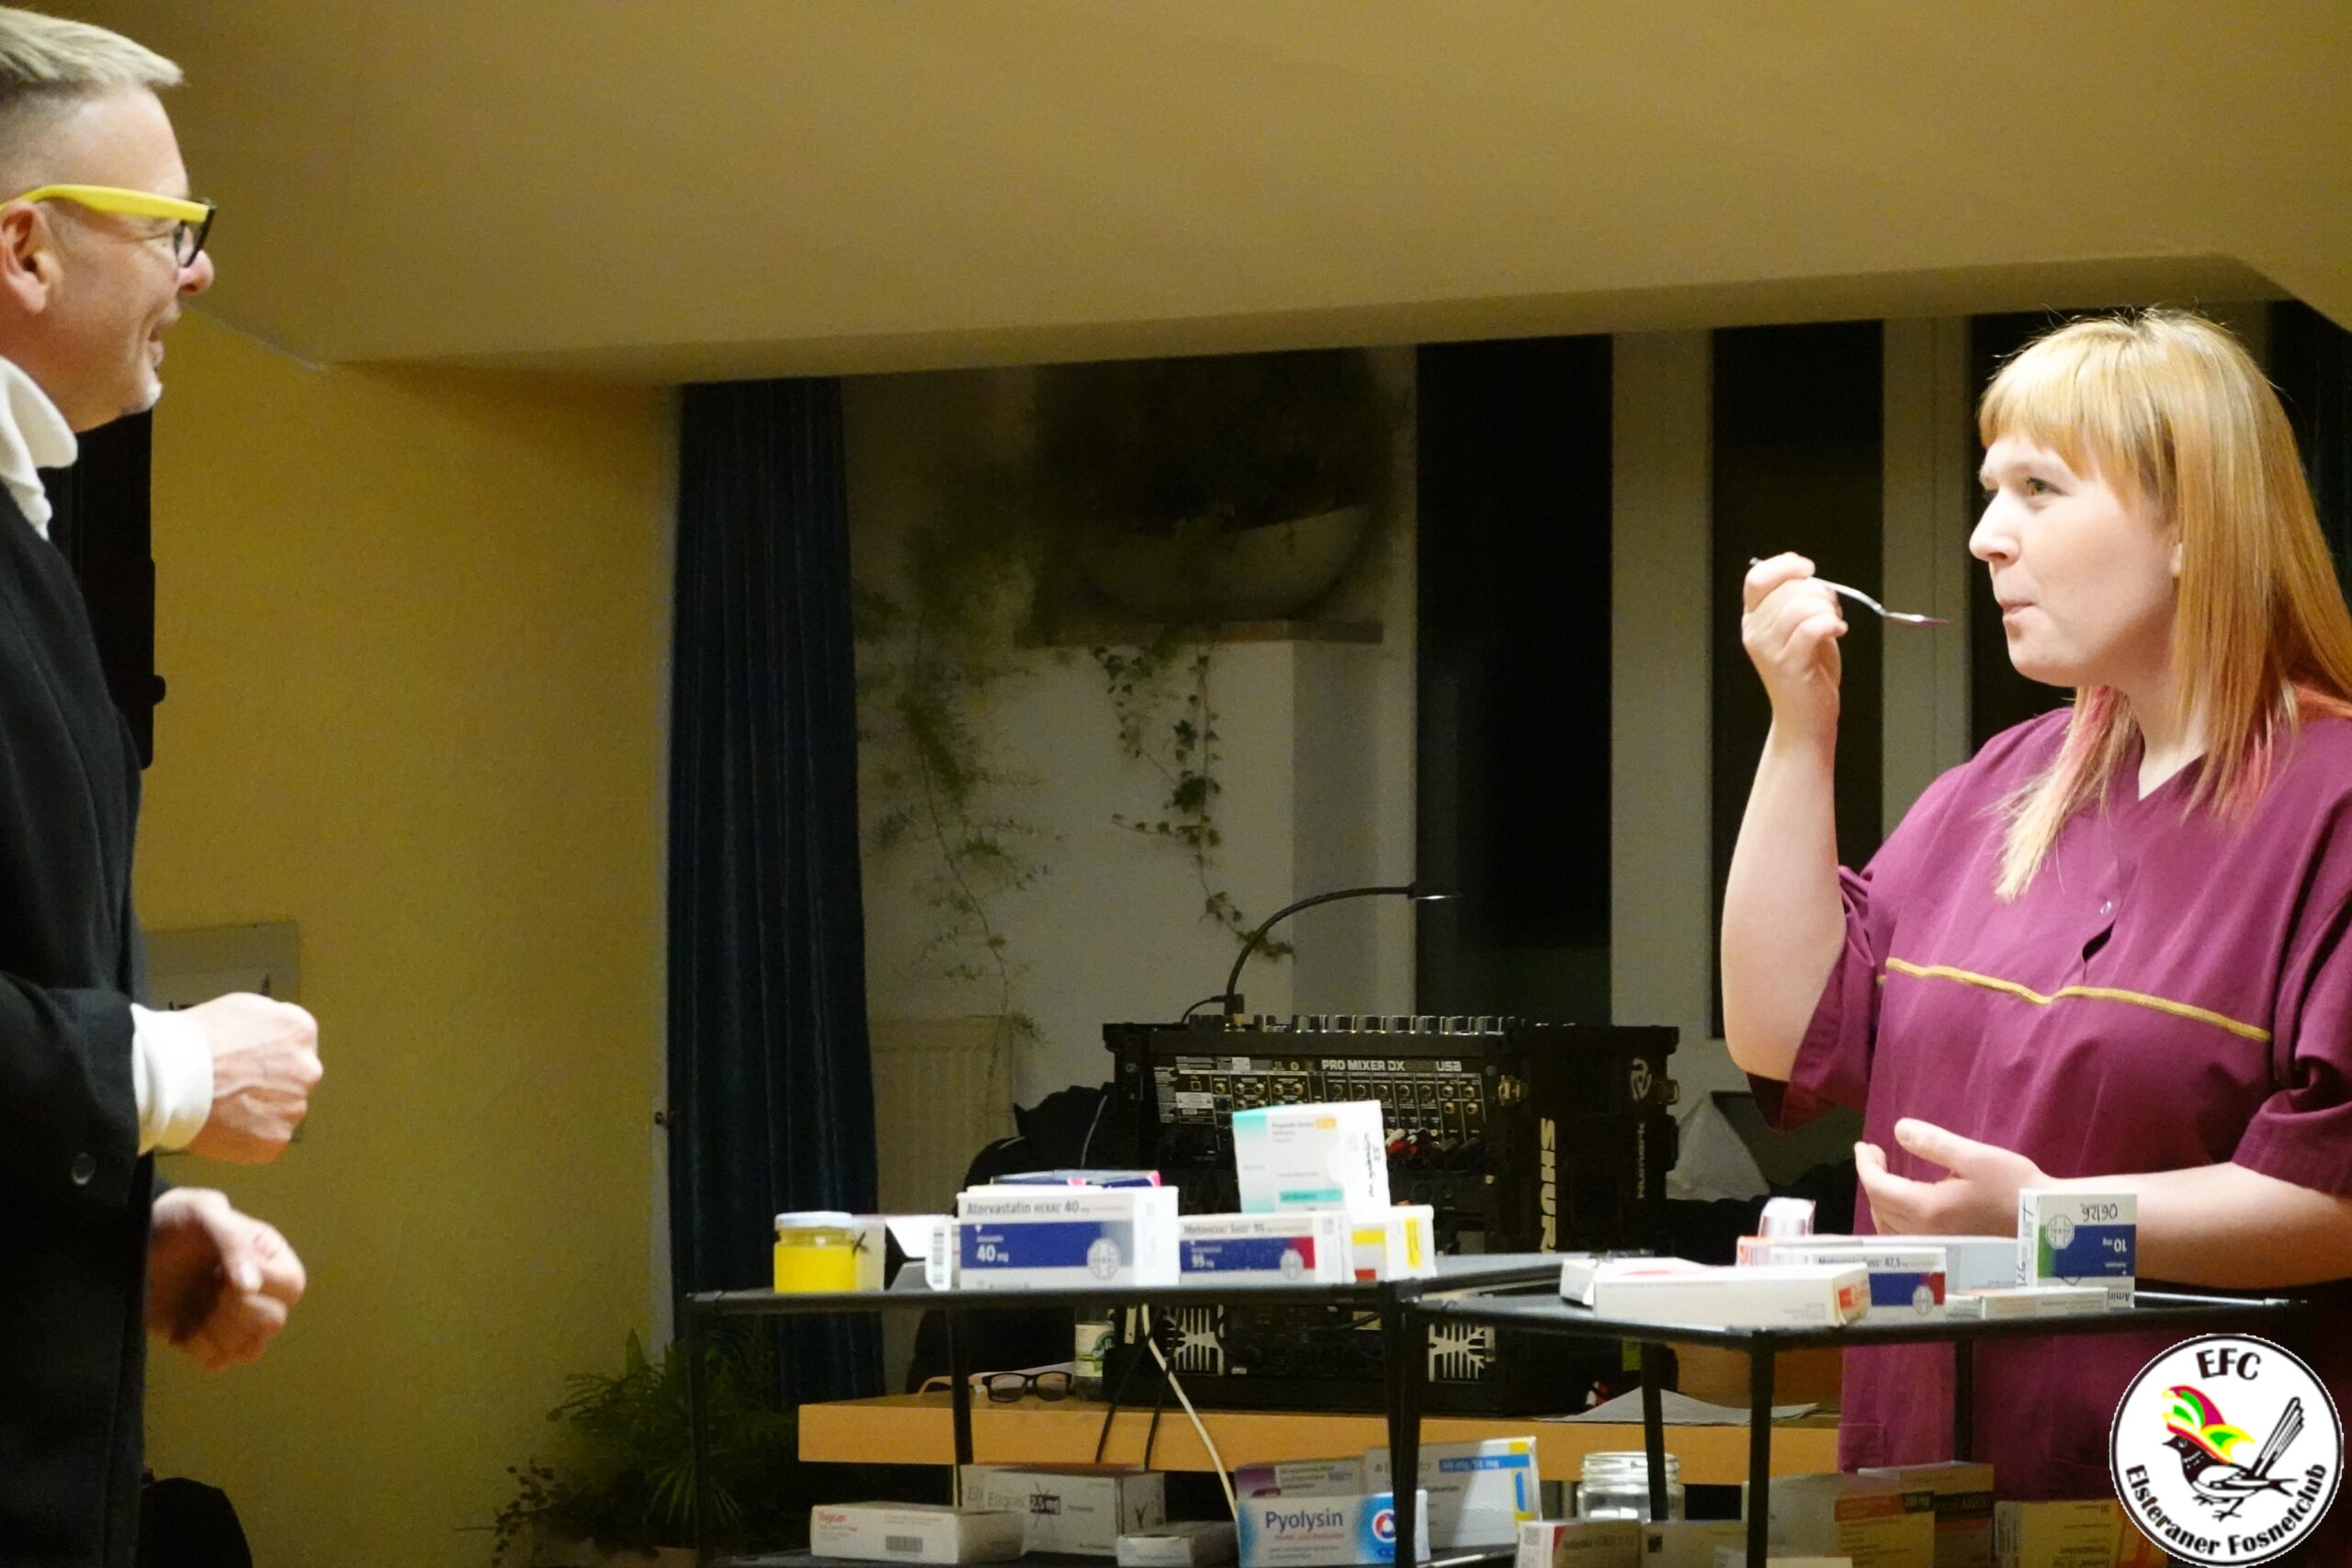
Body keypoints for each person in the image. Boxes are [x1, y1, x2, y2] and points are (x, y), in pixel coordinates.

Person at [1723, 308, 2352, 1538]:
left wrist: (2047, 1225)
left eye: (2038, 490)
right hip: (1931, 1486)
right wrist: (1800, 728)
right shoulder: (2004, 785)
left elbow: (2335, 1200)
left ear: (2192, 525)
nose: (1985, 536)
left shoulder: (2329, 805)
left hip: (2196, 1504)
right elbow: (1781, 1032)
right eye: (1989, 491)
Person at [0, 12, 324, 1566]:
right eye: (168, 229)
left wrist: (108, 1232)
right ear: (25, 249)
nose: (197, 275)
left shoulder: (30, 536)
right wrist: (170, 1069)